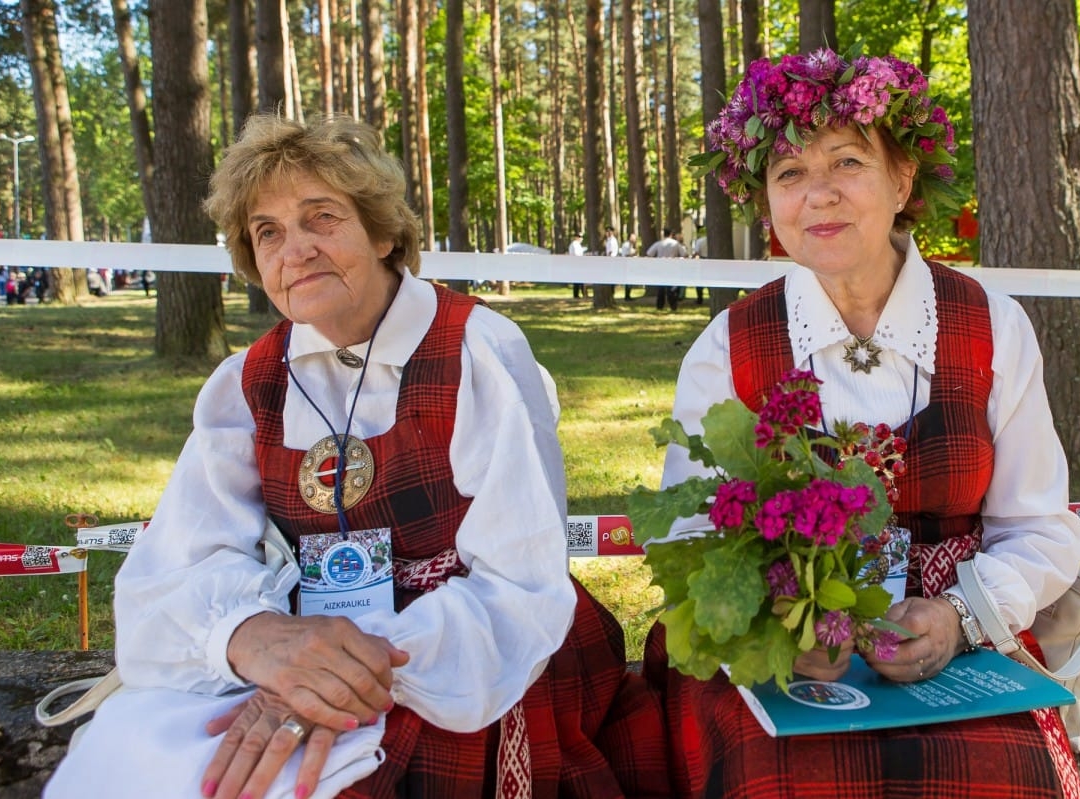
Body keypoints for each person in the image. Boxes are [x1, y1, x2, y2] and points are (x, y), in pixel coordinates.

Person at [46, 114, 663, 799]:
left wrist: (342, 671)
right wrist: (255, 640)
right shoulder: (248, 384)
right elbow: (171, 569)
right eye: (268, 232)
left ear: (383, 232)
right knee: (153, 761)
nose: (295, 249)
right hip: (306, 643)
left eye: (322, 218)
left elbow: (518, 581)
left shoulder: (476, 352)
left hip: (465, 649)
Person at [642, 48, 1080, 798]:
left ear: (902, 177)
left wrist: (956, 618)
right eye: (789, 175)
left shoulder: (991, 328)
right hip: (787, 642)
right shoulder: (731, 344)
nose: (818, 196)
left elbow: (1041, 527)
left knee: (1005, 779)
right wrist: (777, 627)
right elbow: (688, 534)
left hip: (956, 639)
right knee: (772, 780)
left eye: (846, 162)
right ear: (767, 205)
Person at [645, 228, 686, 311]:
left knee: (661, 288)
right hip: (673, 268)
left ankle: (660, 306)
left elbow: (649, 253)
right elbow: (684, 254)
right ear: (671, 234)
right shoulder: (675, 244)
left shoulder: (659, 243)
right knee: (672, 288)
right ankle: (673, 306)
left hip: (661, 268)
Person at [688, 226, 708, 305]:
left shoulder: (700, 241)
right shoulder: (713, 241)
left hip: (702, 262)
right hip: (711, 261)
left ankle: (700, 299)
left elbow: (696, 252)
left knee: (700, 280)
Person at [619, 233, 639, 299]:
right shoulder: (626, 245)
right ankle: (627, 296)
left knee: (630, 280)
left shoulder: (631, 246)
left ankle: (628, 295)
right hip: (627, 265)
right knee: (628, 281)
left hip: (631, 266)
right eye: (633, 238)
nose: (634, 239)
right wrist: (633, 254)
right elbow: (626, 255)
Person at [568, 231, 588, 298]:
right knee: (577, 280)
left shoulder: (578, 245)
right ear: (576, 237)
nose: (581, 238)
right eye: (579, 237)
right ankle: (576, 294)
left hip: (579, 264)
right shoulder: (574, 244)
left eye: (581, 237)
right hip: (576, 264)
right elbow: (577, 255)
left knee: (580, 280)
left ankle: (583, 293)